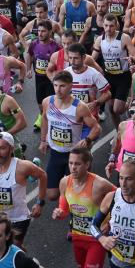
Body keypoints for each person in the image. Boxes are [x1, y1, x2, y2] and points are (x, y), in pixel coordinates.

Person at [52, 148, 116, 268]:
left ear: (87, 164)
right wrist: (60, 213)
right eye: (71, 163)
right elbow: (65, 208)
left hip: (96, 238)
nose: (73, 167)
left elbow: (120, 200)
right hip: (77, 237)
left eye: (78, 164)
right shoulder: (65, 182)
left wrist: (110, 223)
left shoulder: (99, 184)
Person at [35, 70, 100, 205]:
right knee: (52, 195)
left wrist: (87, 140)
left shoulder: (79, 107)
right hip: (56, 152)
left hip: (74, 154)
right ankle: (67, 193)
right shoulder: (48, 102)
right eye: (56, 85)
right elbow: (45, 120)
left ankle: (74, 207)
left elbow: (96, 127)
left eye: (62, 86)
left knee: (79, 193)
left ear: (71, 86)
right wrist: (43, 140)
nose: (58, 90)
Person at [0, 132, 47, 246]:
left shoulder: (22, 166)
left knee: (11, 248)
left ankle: (22, 260)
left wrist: (39, 203)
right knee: (1, 249)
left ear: (11, 149)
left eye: (2, 148)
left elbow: (43, 176)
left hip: (18, 219)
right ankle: (26, 261)